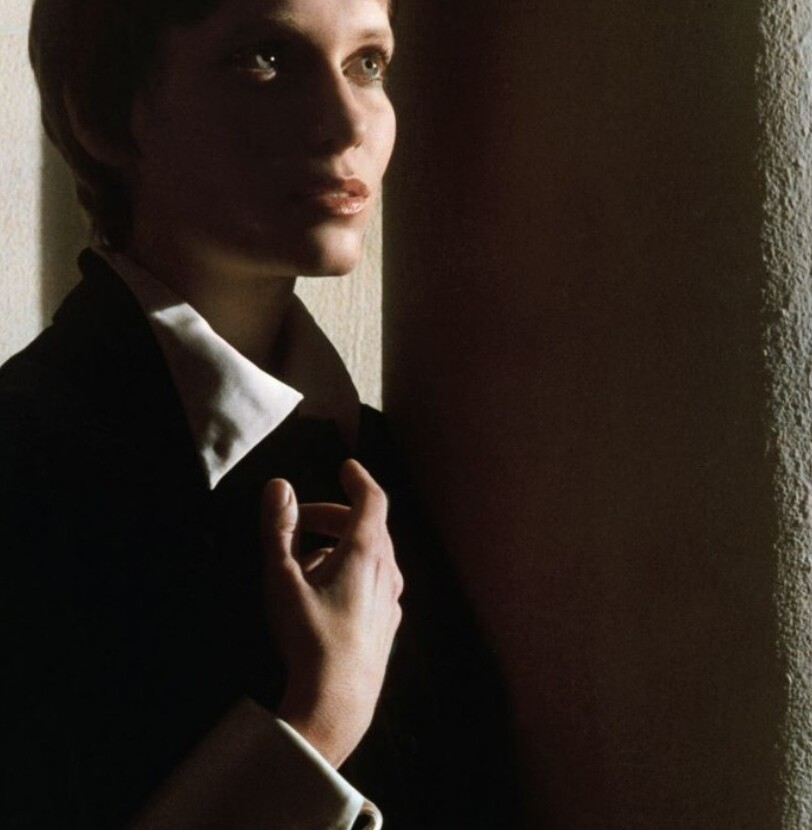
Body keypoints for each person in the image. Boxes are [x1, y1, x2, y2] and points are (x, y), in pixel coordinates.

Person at [2, 0, 519, 827]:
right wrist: (316, 721)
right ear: (99, 114)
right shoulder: (23, 465)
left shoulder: (392, 452)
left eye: (368, 64)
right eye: (265, 60)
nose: (347, 123)